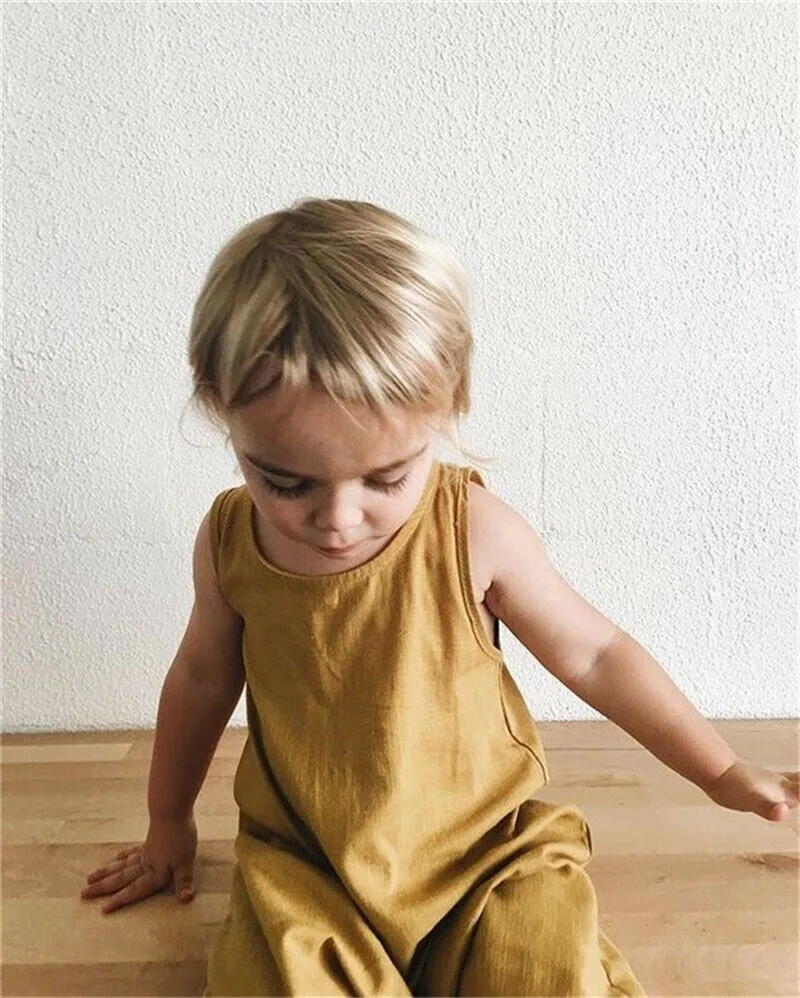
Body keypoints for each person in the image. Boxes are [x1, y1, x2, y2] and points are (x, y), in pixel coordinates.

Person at [81, 198, 798, 997]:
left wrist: (719, 768)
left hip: (484, 855)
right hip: (309, 865)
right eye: (286, 483)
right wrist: (168, 822)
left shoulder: (472, 529)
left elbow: (596, 654)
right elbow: (200, 678)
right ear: (223, 412)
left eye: (386, 477)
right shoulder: (229, 542)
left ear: (449, 406)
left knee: (546, 973)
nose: (338, 518)